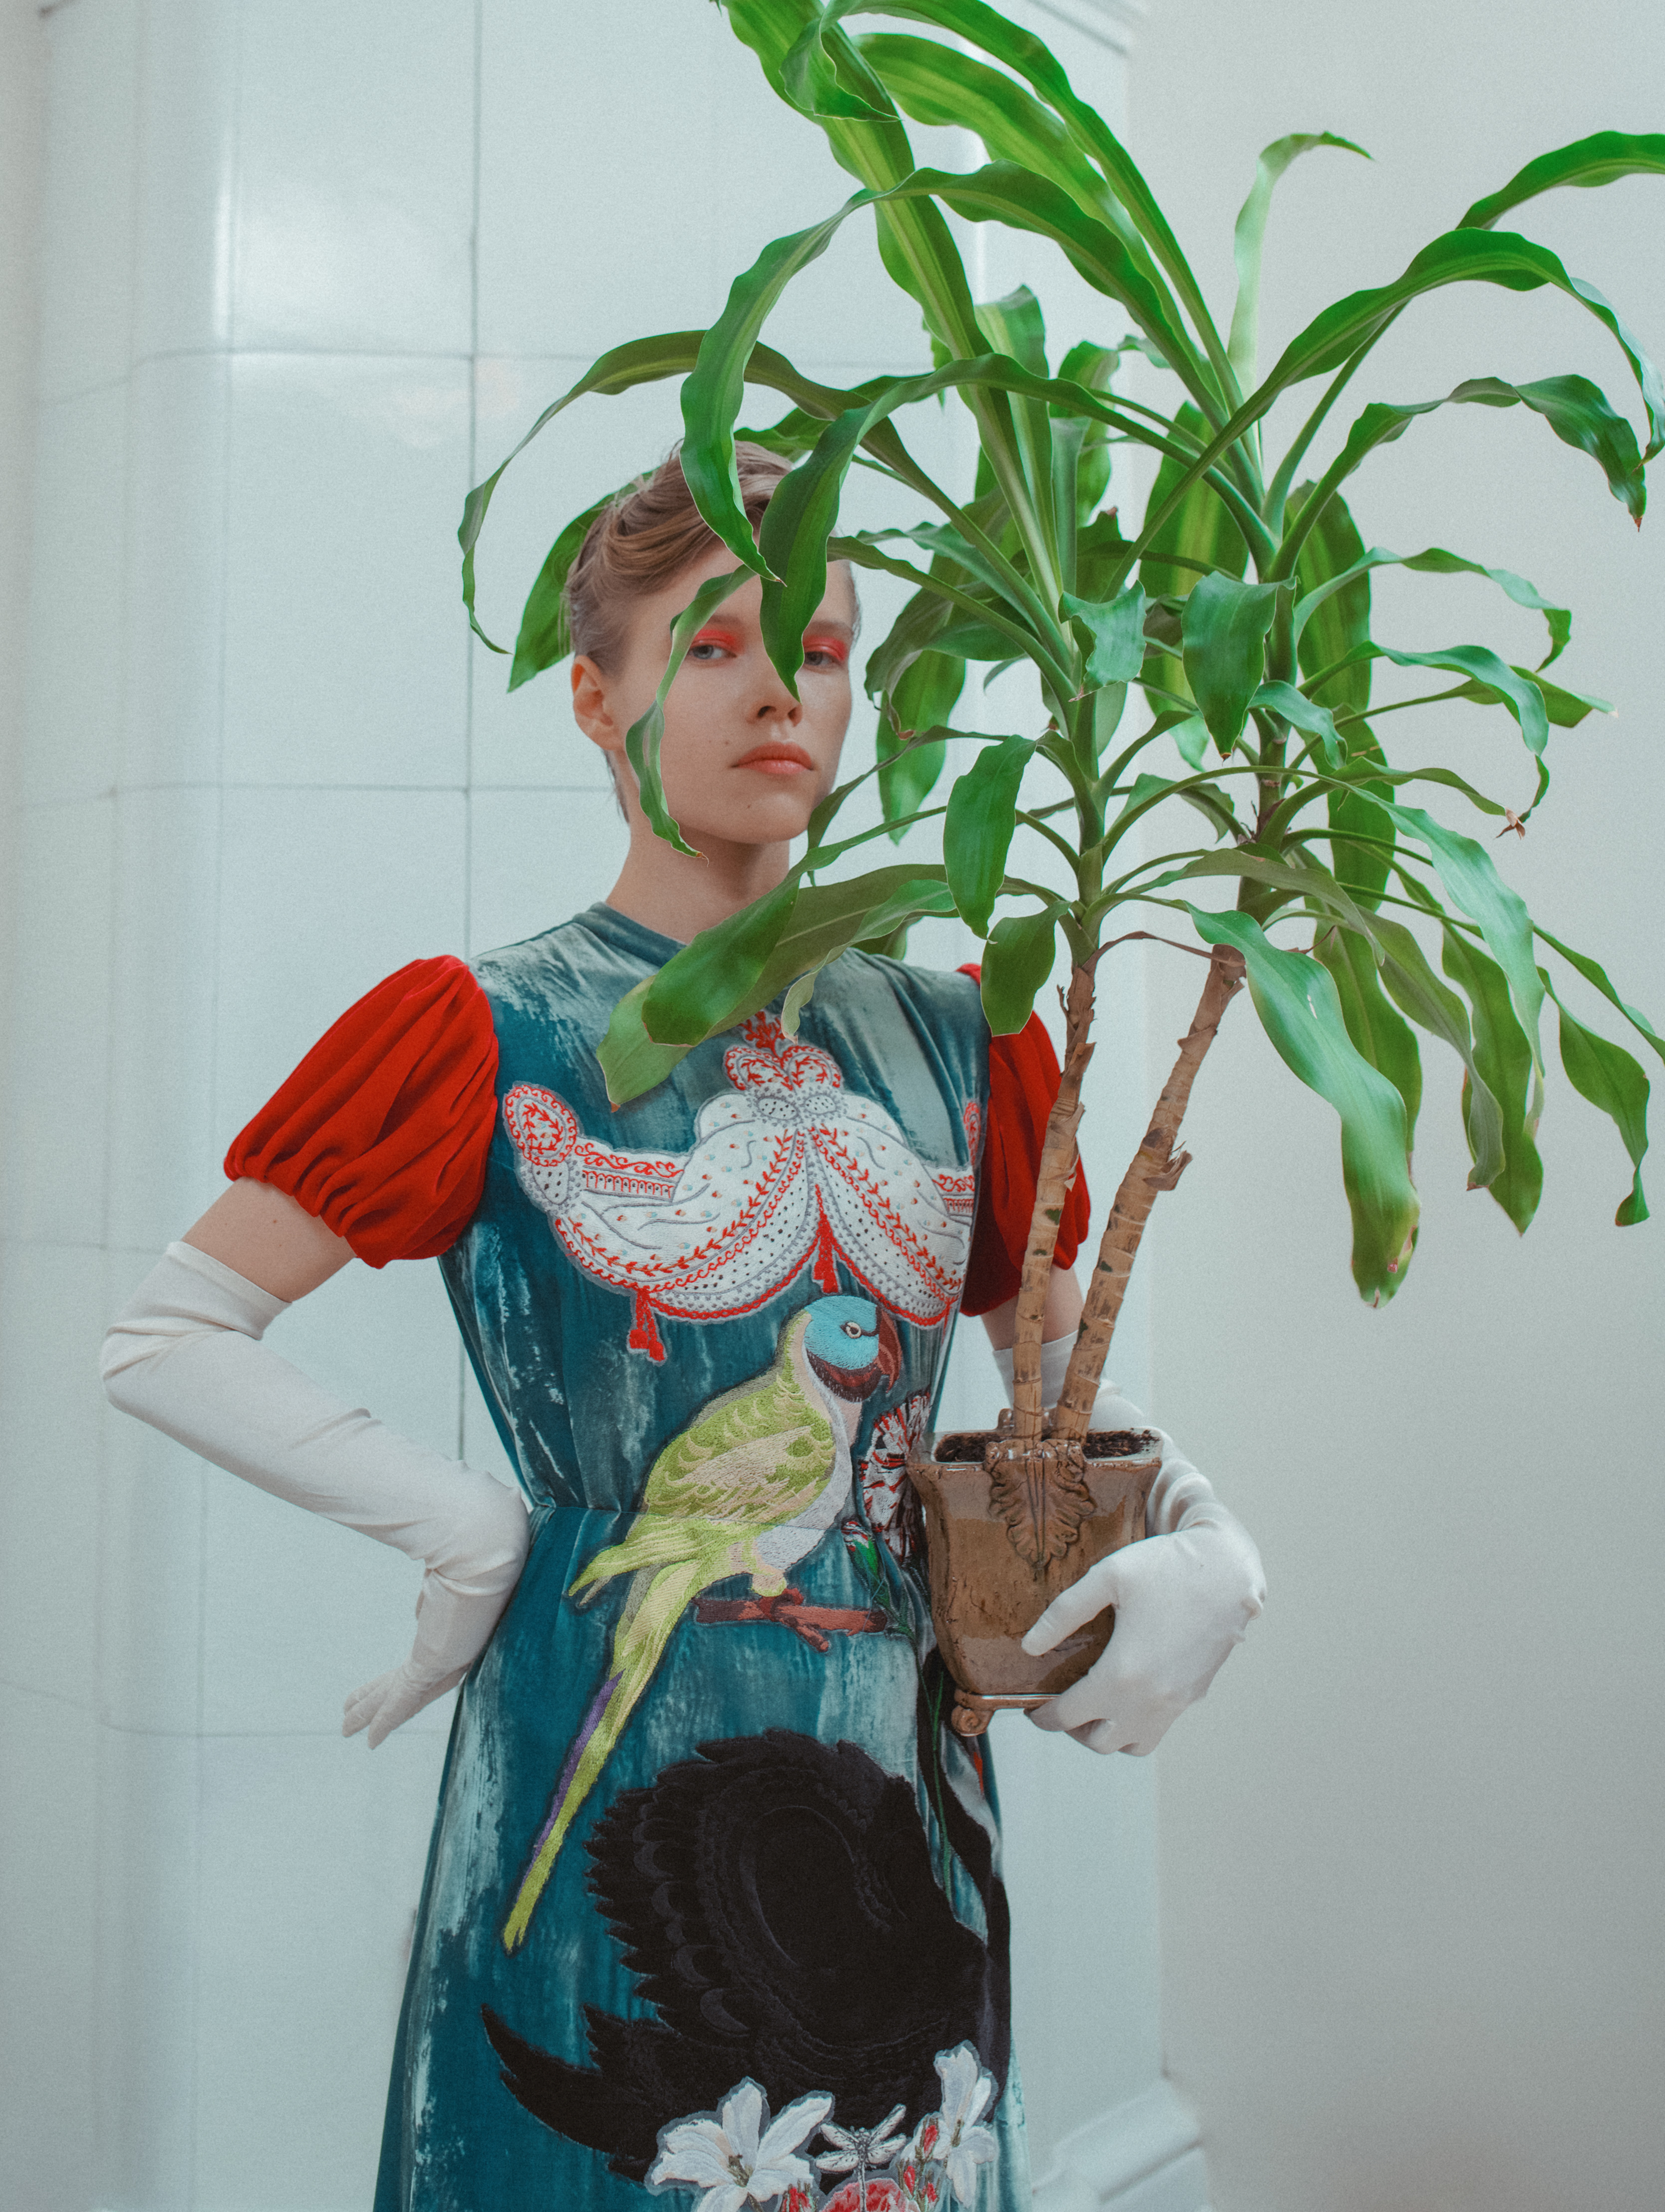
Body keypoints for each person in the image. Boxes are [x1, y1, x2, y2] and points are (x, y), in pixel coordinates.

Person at [100, 446, 1264, 2212]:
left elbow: (1052, 1408)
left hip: (903, 1796)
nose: (780, 692)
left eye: (822, 650)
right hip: (597, 1759)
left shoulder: (971, 1039)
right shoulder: (484, 1031)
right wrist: (466, 1521)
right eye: (715, 647)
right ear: (598, 694)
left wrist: (1204, 1537)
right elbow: (170, 1330)